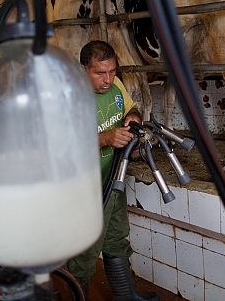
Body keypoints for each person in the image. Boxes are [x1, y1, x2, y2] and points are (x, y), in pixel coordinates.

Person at [66, 41, 159, 301]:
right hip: (82, 189)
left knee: (117, 237)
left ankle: (125, 295)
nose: (107, 80)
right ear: (84, 69)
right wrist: (104, 138)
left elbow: (131, 107)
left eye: (111, 71)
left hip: (113, 177)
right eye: (99, 73)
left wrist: (134, 117)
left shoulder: (115, 85)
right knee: (84, 252)